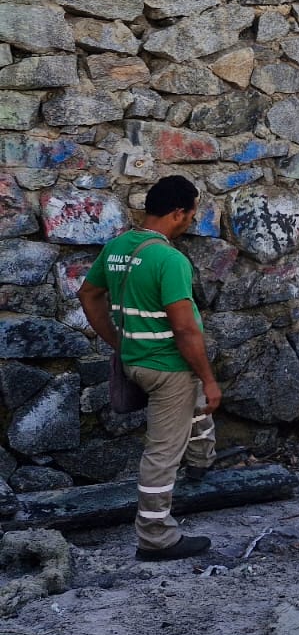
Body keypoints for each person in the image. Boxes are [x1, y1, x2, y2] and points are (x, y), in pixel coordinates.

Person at [78, 175, 219, 562]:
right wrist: (209, 379)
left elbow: (88, 295)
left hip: (135, 360)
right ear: (178, 213)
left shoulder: (118, 247)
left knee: (190, 411)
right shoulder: (170, 260)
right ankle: (156, 537)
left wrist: (118, 341)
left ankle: (201, 462)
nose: (191, 221)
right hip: (168, 367)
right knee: (161, 453)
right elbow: (185, 328)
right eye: (191, 214)